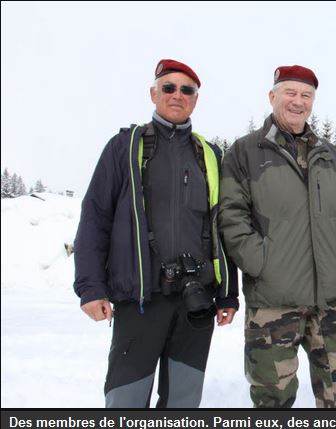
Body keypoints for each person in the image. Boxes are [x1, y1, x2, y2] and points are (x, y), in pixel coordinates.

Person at [73, 59, 238, 408]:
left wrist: (226, 294)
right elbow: (96, 216)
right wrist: (90, 287)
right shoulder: (124, 147)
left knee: (183, 403)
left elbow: (223, 228)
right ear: (153, 93)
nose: (177, 95)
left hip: (196, 302)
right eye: (168, 87)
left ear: (196, 98)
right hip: (141, 301)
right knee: (126, 402)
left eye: (186, 89)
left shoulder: (210, 155)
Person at [218, 65, 336, 408]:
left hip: (327, 303)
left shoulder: (327, 154)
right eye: (290, 93)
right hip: (272, 303)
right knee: (273, 400)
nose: (298, 102)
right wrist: (261, 261)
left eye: (306, 95)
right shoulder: (246, 151)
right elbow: (231, 215)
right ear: (273, 97)